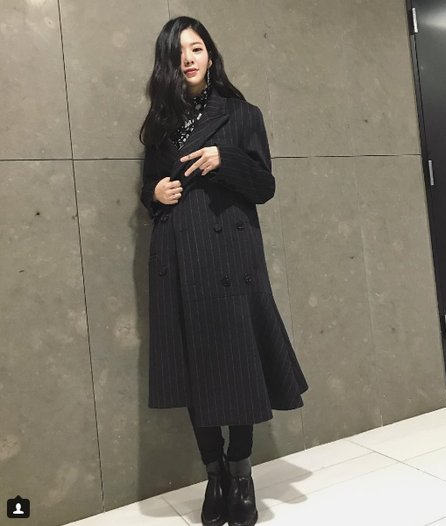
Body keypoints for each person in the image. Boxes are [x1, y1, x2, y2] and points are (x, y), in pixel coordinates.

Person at [139, 16, 309, 526]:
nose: (188, 58)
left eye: (196, 48)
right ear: (168, 63)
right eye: (178, 52)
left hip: (229, 259)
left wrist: (225, 159)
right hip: (178, 257)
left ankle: (241, 472)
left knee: (237, 367)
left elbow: (265, 186)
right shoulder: (160, 123)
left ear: (210, 55)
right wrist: (155, 193)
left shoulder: (242, 114)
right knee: (196, 372)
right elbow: (149, 188)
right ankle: (213, 475)